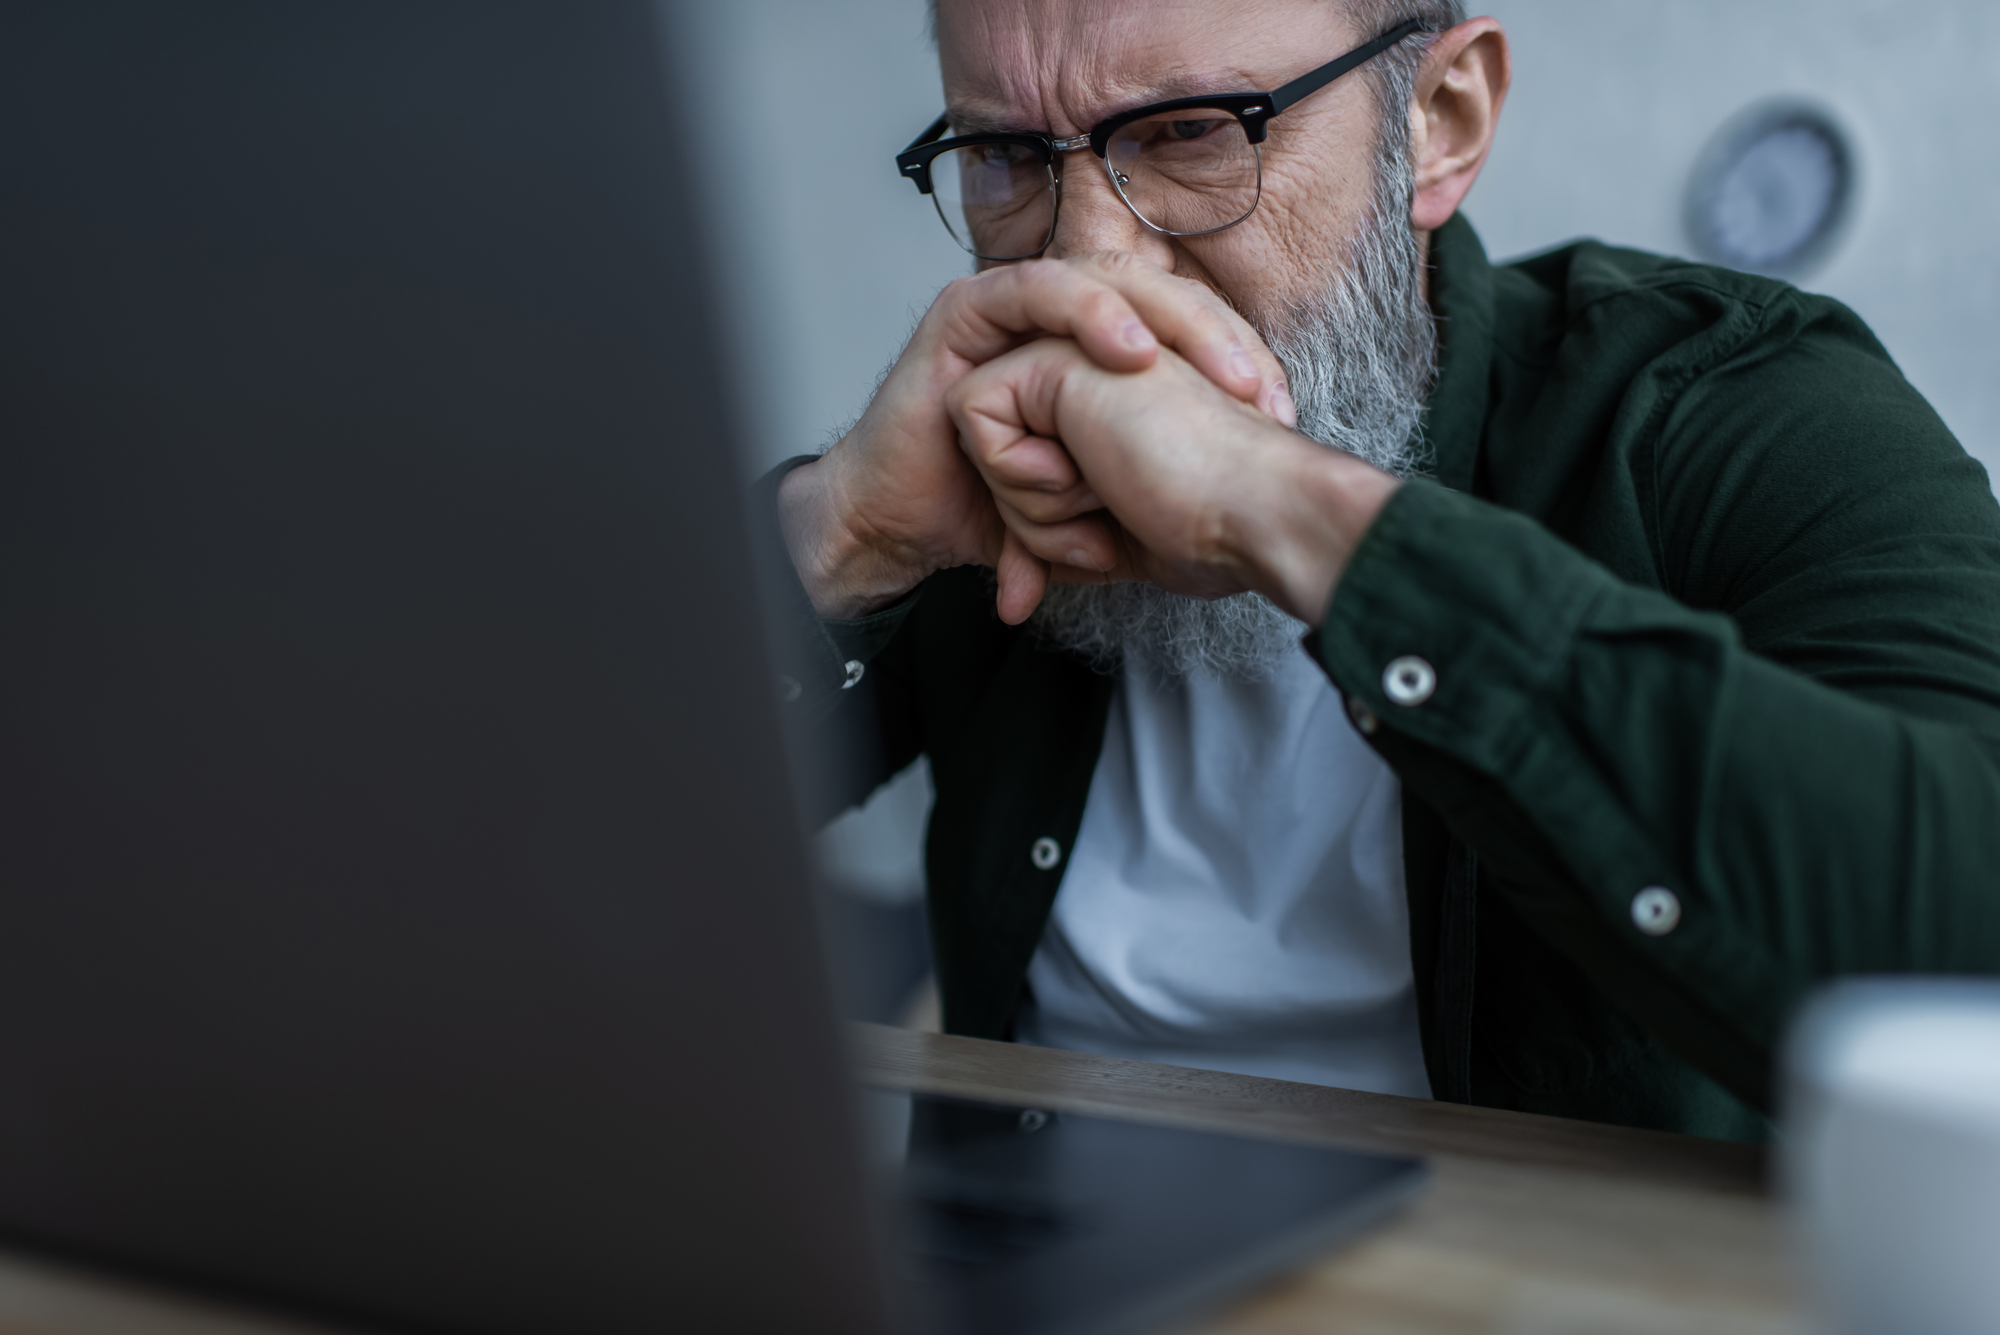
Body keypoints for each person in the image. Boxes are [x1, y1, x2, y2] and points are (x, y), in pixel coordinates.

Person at [759, 0, 2000, 1140]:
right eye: (1007, 160)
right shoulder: (984, 460)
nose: (1089, 268)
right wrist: (842, 535)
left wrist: (1292, 511)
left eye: (1193, 133)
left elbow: (1958, 946)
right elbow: (580, 857)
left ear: (1439, 122)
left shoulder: (1724, 407)